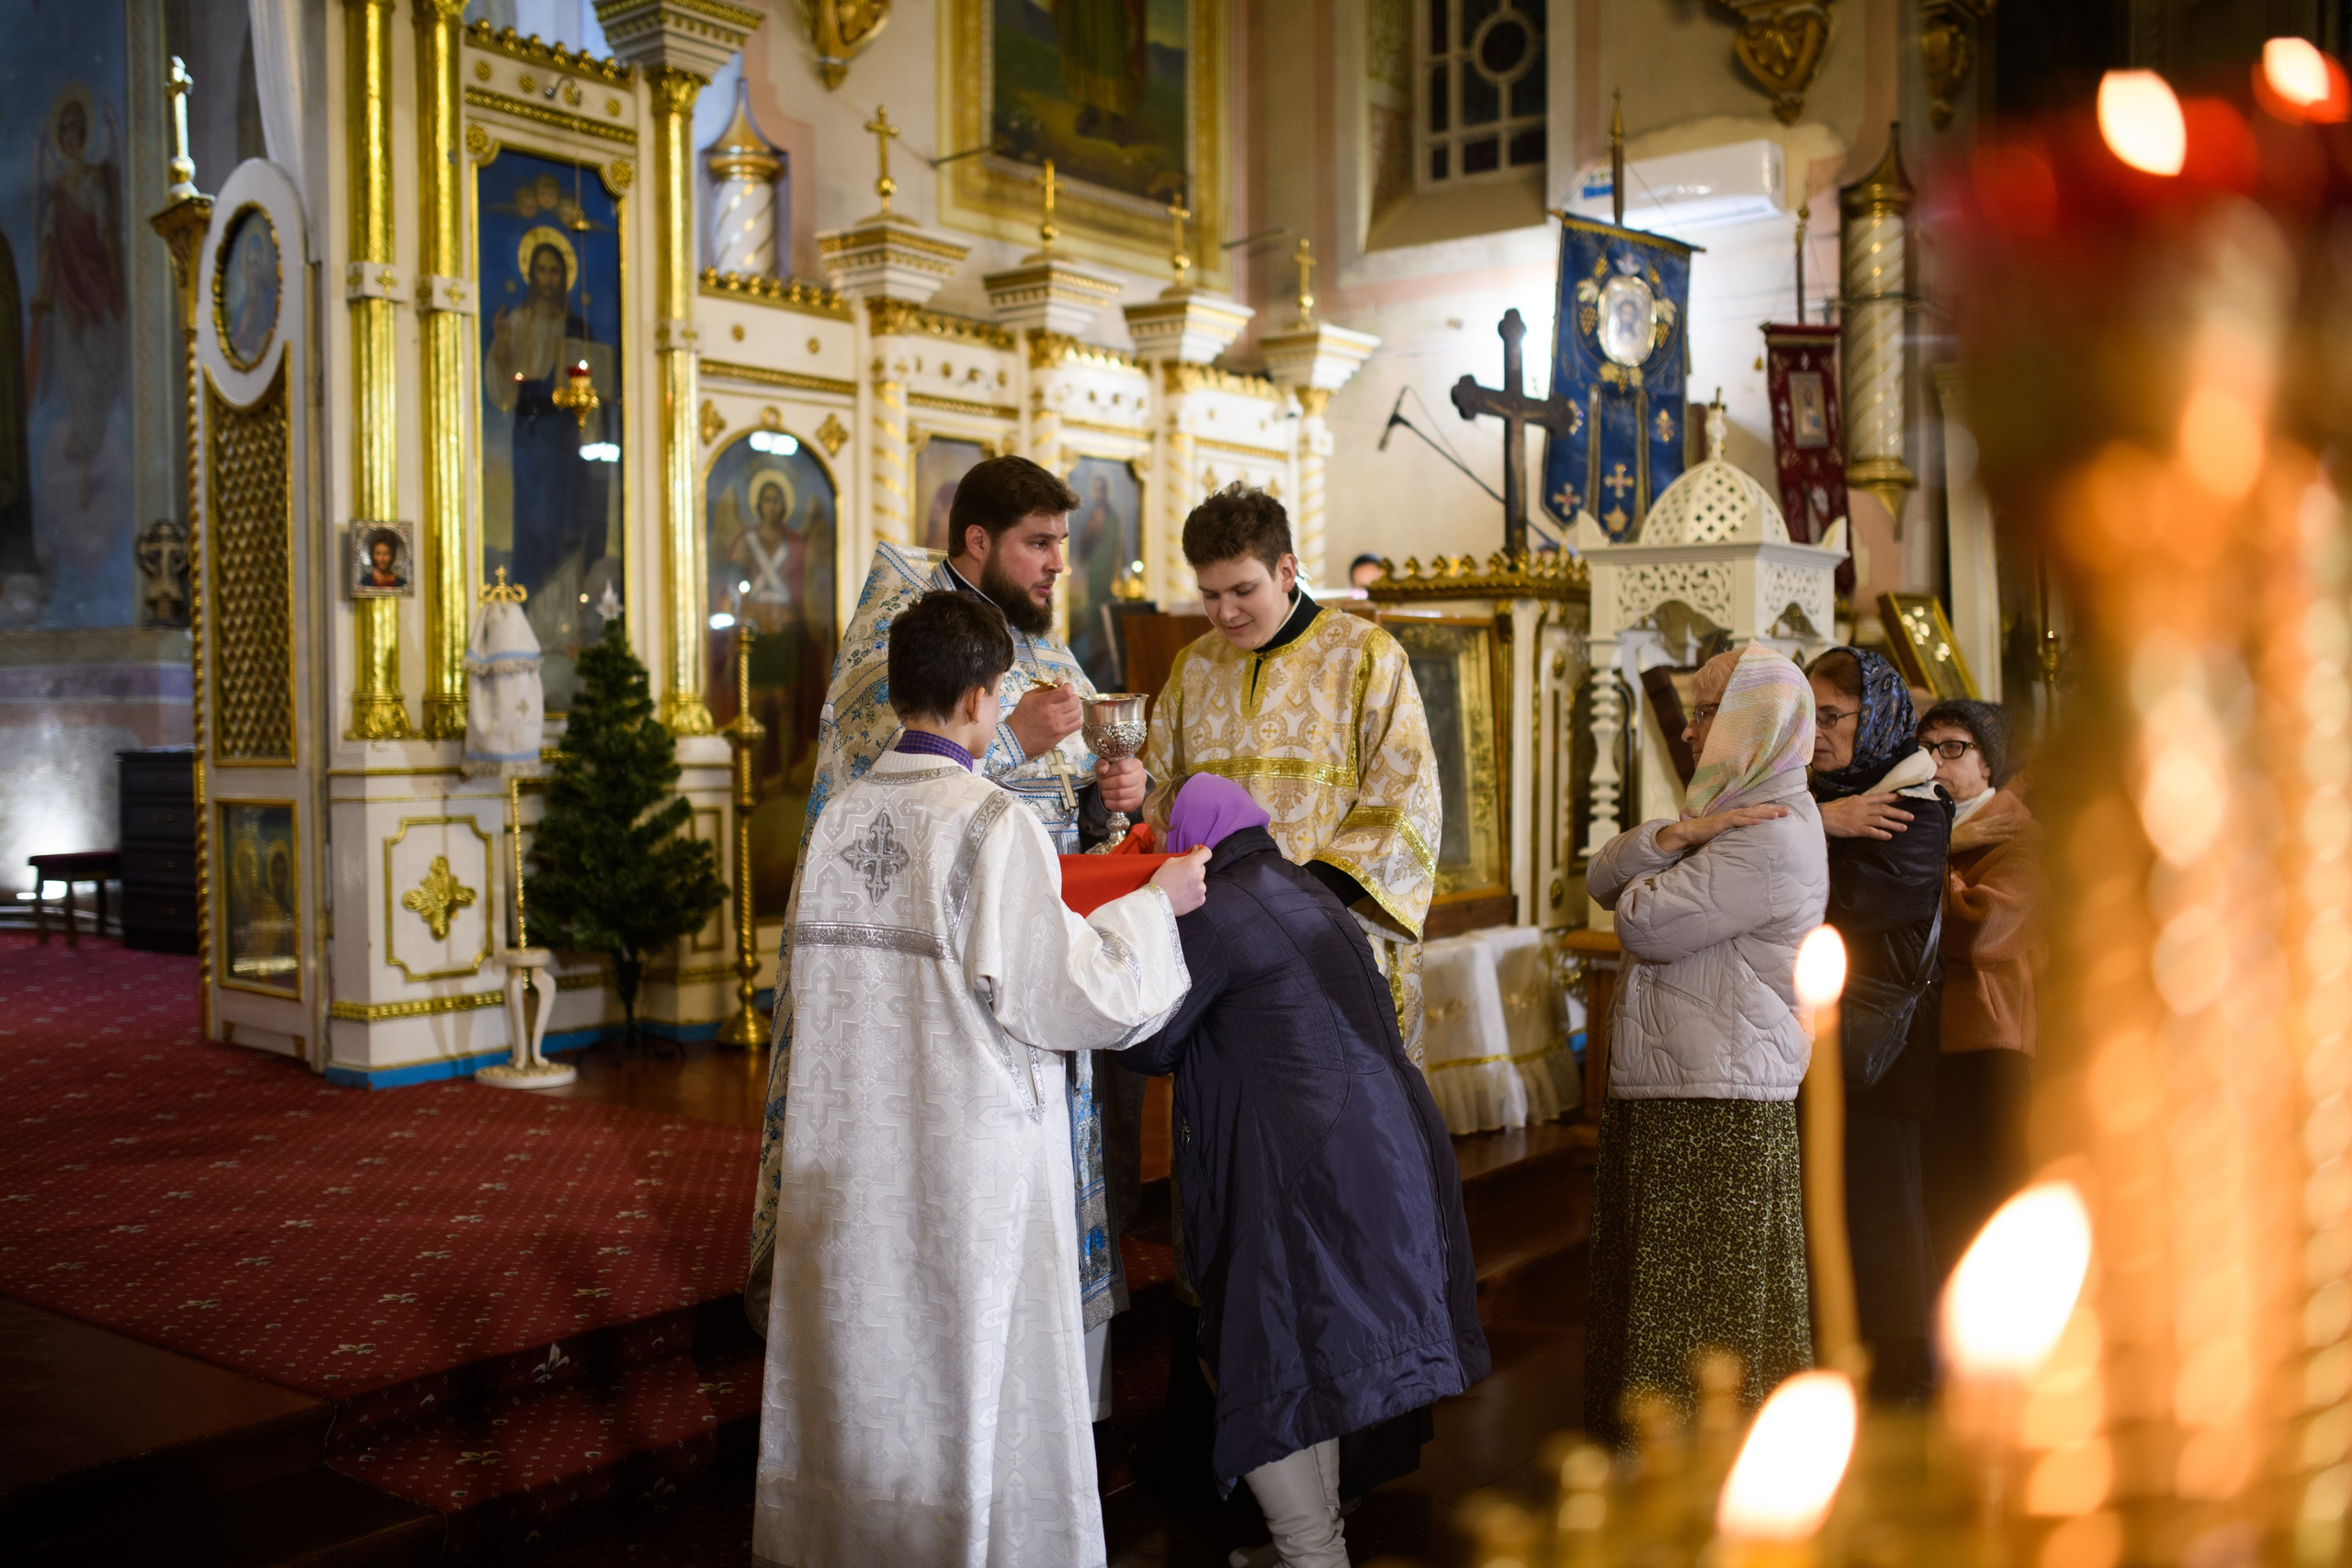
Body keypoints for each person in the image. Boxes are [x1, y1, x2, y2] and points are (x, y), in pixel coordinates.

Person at [754, 591, 1208, 1568]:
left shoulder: (836, 821)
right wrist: (1154, 909)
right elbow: (1070, 997)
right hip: (968, 1162)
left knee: (863, 1362)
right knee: (973, 1368)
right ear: (978, 696)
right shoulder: (988, 820)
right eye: (1001, 694)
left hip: (853, 1160)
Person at [749, 456, 1150, 1417]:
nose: (1060, 564)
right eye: (1039, 545)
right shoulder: (904, 632)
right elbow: (865, 785)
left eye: (1062, 543)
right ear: (978, 542)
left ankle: (1054, 1422)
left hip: (1038, 963)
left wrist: (1113, 799)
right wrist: (1011, 740)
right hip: (938, 985)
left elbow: (1077, 824)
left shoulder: (1048, 654)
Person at [1118, 774, 1489, 1568]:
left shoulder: (1214, 909)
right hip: (1382, 1146)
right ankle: (1316, 1542)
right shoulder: (1301, 886)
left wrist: (1136, 917)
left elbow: (1150, 1039)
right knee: (1302, 1348)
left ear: (1192, 839)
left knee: (1269, 1356)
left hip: (1303, 1160)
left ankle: (1313, 1552)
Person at [1583, 643, 1827, 1439]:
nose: (1688, 732)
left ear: (1750, 725)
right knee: (1661, 1292)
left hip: (1718, 1097)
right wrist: (1682, 831)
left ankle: (1688, 1480)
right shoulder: (1732, 817)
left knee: (1699, 1313)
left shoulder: (1772, 831)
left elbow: (1641, 921)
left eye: (1704, 714)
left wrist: (1677, 846)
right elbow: (1599, 874)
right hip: (1683, 1080)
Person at [1138, 483, 1442, 1061]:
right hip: (1221, 943)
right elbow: (1164, 799)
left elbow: (1406, 804)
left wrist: (1297, 902)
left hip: (1332, 935)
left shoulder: (1367, 655)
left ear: (1286, 569)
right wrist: (1137, 796)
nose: (1225, 611)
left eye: (1242, 590)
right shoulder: (1194, 666)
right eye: (1209, 594)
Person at [1805, 645, 1953, 1404]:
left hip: (1883, 1047)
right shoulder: (1817, 799)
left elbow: (1845, 908)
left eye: (1832, 716)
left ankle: (1902, 1383)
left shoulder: (1918, 806)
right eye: (1809, 714)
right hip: (1822, 1039)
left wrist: (1808, 831)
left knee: (1884, 1212)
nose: (1818, 732)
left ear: (1879, 717)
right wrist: (1821, 819)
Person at [1917, 698, 2041, 1278]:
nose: (1934, 762)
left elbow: (1981, 930)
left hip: (1988, 1043)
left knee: (1978, 1200)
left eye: (1952, 748)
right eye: (1924, 748)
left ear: (1988, 764)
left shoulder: (2023, 839)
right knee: (1937, 1199)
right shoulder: (1930, 829)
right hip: (1929, 1039)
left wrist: (1923, 867)